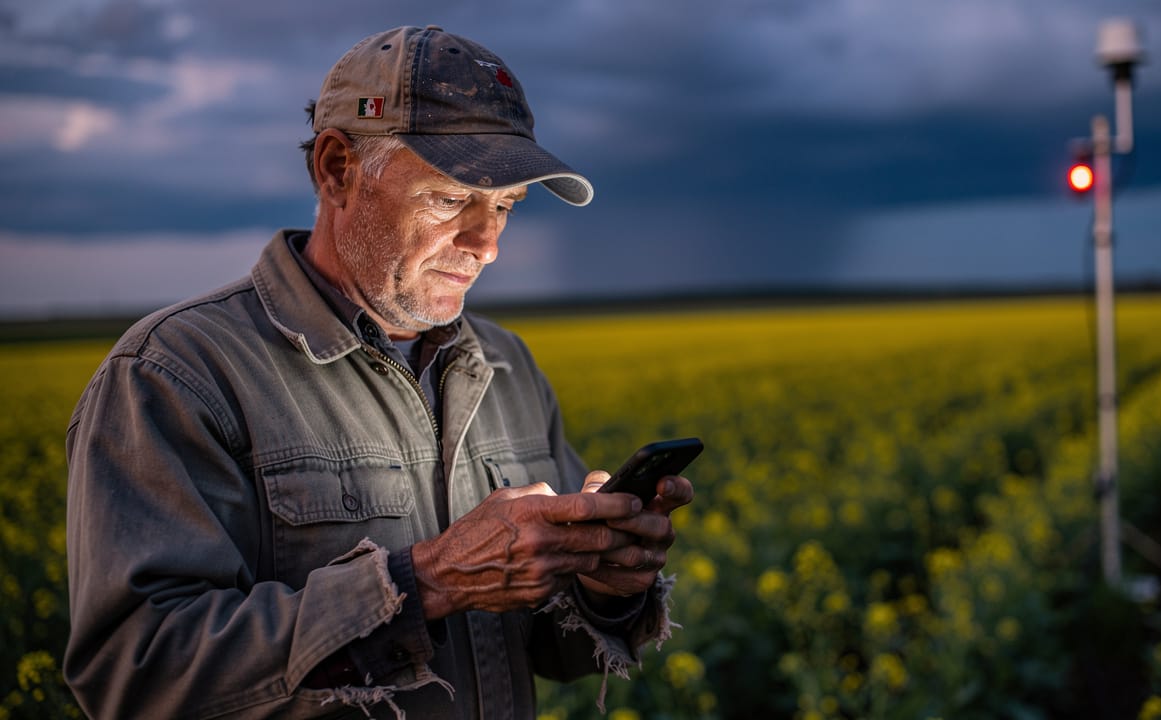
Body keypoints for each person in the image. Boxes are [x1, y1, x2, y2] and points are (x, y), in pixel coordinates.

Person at [63, 25, 693, 719]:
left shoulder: (508, 365)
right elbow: (133, 679)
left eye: (506, 206)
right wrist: (427, 582)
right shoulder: (178, 373)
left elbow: (548, 650)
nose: (487, 246)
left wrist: (603, 588)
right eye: (452, 200)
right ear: (337, 169)